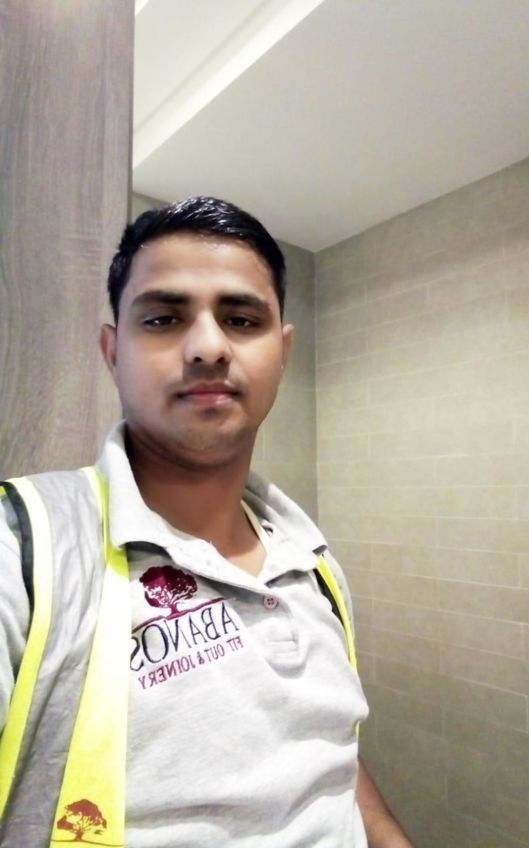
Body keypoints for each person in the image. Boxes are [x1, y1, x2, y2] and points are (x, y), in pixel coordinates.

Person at [0, 196, 413, 847]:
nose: (209, 347)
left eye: (241, 319)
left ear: (282, 352)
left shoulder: (314, 563)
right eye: (163, 318)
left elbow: (324, 745)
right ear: (112, 351)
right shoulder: (24, 550)